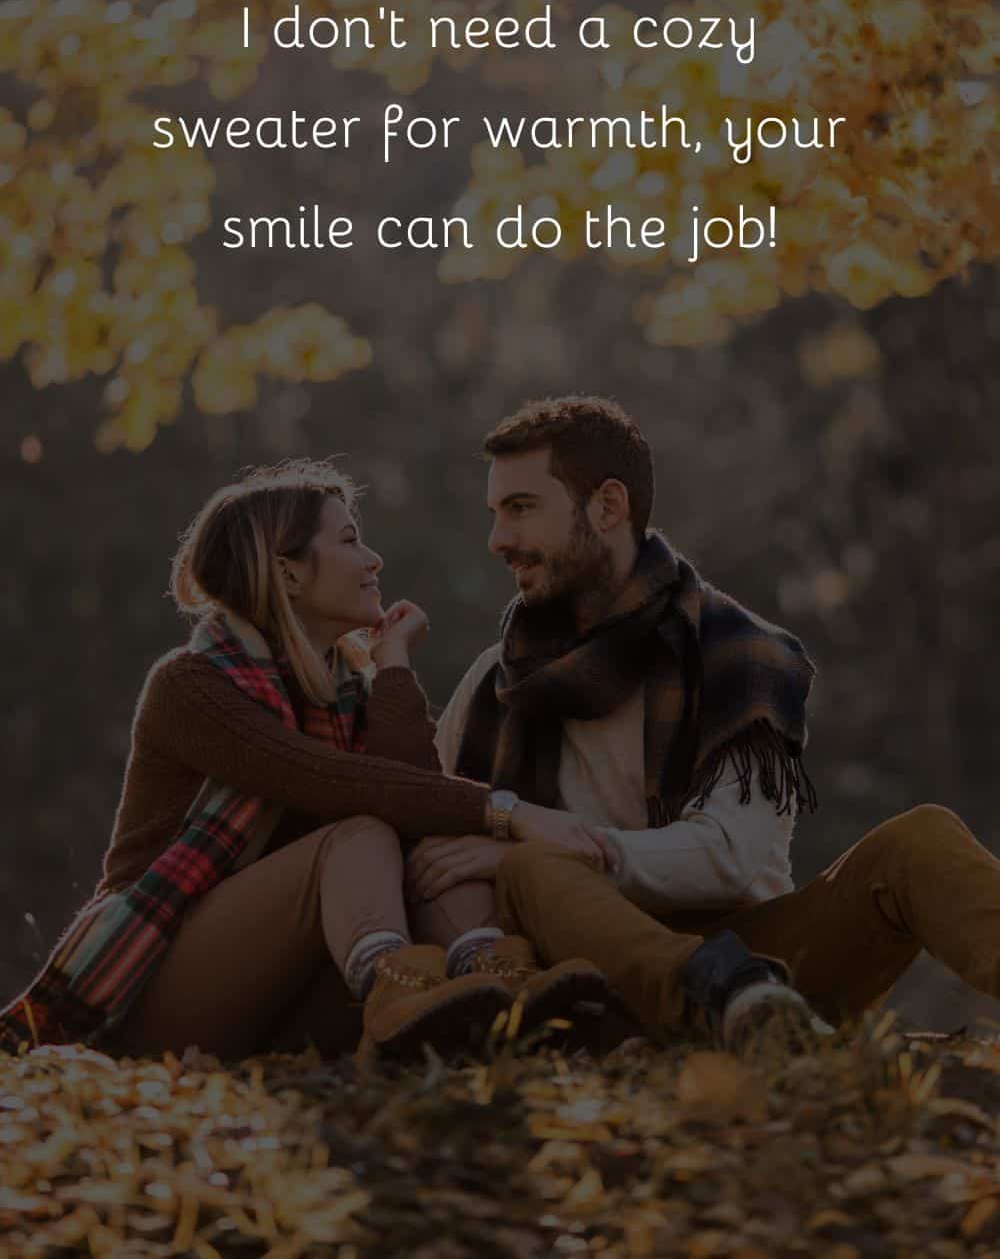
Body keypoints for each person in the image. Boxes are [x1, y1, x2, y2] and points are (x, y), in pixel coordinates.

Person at [421, 395, 1000, 1052]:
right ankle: (706, 1002)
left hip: (767, 977)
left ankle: (754, 1013)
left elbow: (734, 857)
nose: (498, 540)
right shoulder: (489, 684)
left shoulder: (732, 655)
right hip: (580, 985)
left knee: (919, 840)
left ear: (607, 508)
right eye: (495, 514)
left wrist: (556, 843)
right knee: (530, 871)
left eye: (521, 508)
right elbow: (437, 851)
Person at [0, 460, 613, 1066]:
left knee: (434, 848)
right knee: (360, 832)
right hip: (152, 992)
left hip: (280, 986)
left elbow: (419, 797)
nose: (373, 559)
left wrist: (393, 664)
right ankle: (399, 989)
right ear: (288, 574)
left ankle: (503, 985)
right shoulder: (191, 686)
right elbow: (335, 782)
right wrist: (507, 812)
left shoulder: (349, 690)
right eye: (349, 540)